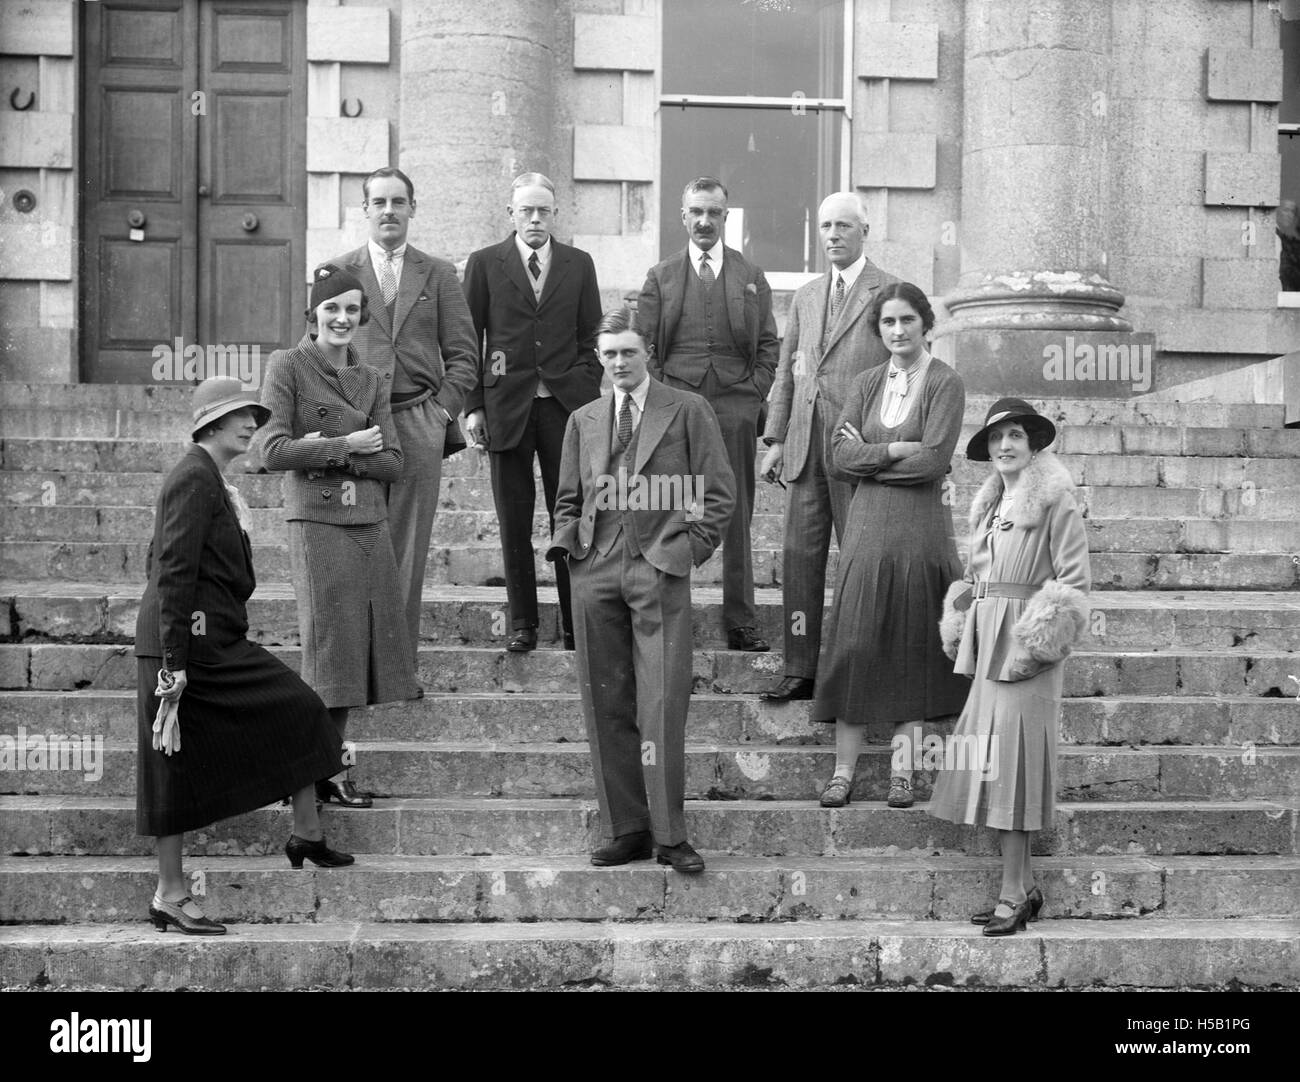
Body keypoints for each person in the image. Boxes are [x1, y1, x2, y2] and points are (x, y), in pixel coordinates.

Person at [135, 378, 351, 936]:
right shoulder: (192, 477)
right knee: (171, 766)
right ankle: (170, 896)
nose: (253, 422)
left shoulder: (210, 478)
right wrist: (173, 664)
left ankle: (307, 832)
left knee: (301, 707)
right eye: (239, 415)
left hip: (213, 642)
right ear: (209, 423)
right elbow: (172, 570)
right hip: (188, 648)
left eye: (255, 413)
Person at [547, 306, 735, 874]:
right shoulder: (583, 419)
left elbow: (717, 496)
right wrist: (571, 549)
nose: (620, 363)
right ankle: (625, 828)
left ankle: (670, 835)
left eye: (629, 351)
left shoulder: (687, 409)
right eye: (610, 354)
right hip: (595, 568)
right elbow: (566, 498)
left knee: (661, 702)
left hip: (658, 568)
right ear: (599, 360)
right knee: (604, 703)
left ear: (647, 352)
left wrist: (684, 552)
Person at [929, 399, 1091, 936]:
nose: (1005, 446)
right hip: (989, 644)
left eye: (1016, 435)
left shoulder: (1055, 501)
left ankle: (1011, 894)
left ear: (1034, 443)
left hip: (1027, 646)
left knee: (1016, 770)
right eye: (997, 437)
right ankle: (1021, 889)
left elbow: (1072, 583)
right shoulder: (992, 503)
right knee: (998, 771)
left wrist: (1034, 646)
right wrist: (963, 620)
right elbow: (981, 579)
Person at [259, 263, 417, 809]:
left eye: (352, 309)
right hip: (318, 523)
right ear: (313, 314)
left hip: (368, 524)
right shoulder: (288, 365)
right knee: (327, 648)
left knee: (352, 653)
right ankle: (311, 771)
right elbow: (271, 450)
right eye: (332, 309)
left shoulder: (373, 378)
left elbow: (394, 461)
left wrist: (336, 448)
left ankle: (330, 769)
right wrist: (347, 444)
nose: (342, 318)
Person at [811, 282, 970, 810]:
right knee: (856, 644)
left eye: (907, 321)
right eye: (887, 323)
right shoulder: (865, 382)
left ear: (926, 325)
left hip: (921, 532)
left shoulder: (945, 383)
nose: (897, 331)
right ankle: (843, 772)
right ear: (878, 330)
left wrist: (873, 457)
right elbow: (838, 458)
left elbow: (935, 460)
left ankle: (903, 773)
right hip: (867, 530)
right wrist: (897, 449)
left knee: (912, 647)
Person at [331, 167, 480, 673]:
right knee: (355, 540)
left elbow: (464, 353)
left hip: (417, 419)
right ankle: (354, 663)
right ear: (365, 209)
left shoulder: (437, 272)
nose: (389, 211)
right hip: (356, 425)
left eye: (399, 202)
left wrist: (441, 411)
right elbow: (318, 352)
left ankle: (396, 667)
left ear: (412, 208)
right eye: (380, 202)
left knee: (409, 549)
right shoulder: (338, 272)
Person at [758, 192, 899, 702]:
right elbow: (787, 369)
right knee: (799, 557)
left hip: (856, 448)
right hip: (803, 445)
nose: (833, 234)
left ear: (864, 230)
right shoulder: (807, 294)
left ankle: (860, 669)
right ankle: (800, 667)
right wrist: (775, 438)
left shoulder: (890, 291)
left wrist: (881, 436)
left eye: (843, 225)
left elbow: (901, 369)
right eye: (824, 226)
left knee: (861, 561)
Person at [636, 176, 779, 652]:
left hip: (736, 409)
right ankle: (665, 611)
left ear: (725, 217)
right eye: (696, 212)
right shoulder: (662, 276)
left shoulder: (750, 277)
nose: (704, 221)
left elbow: (767, 346)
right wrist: (664, 399)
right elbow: (644, 348)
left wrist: (753, 395)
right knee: (674, 507)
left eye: (714, 213)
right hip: (678, 409)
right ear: (683, 217)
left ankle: (741, 618)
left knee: (735, 509)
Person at [463, 172, 603, 653]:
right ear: (511, 214)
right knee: (514, 518)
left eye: (544, 210)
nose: (536, 219)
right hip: (507, 407)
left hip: (566, 409)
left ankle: (572, 624)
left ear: (555, 214)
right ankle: (523, 622)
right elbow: (468, 340)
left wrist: (585, 390)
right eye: (527, 210)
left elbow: (592, 336)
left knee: (568, 517)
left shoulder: (578, 264)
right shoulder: (485, 264)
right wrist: (475, 405)